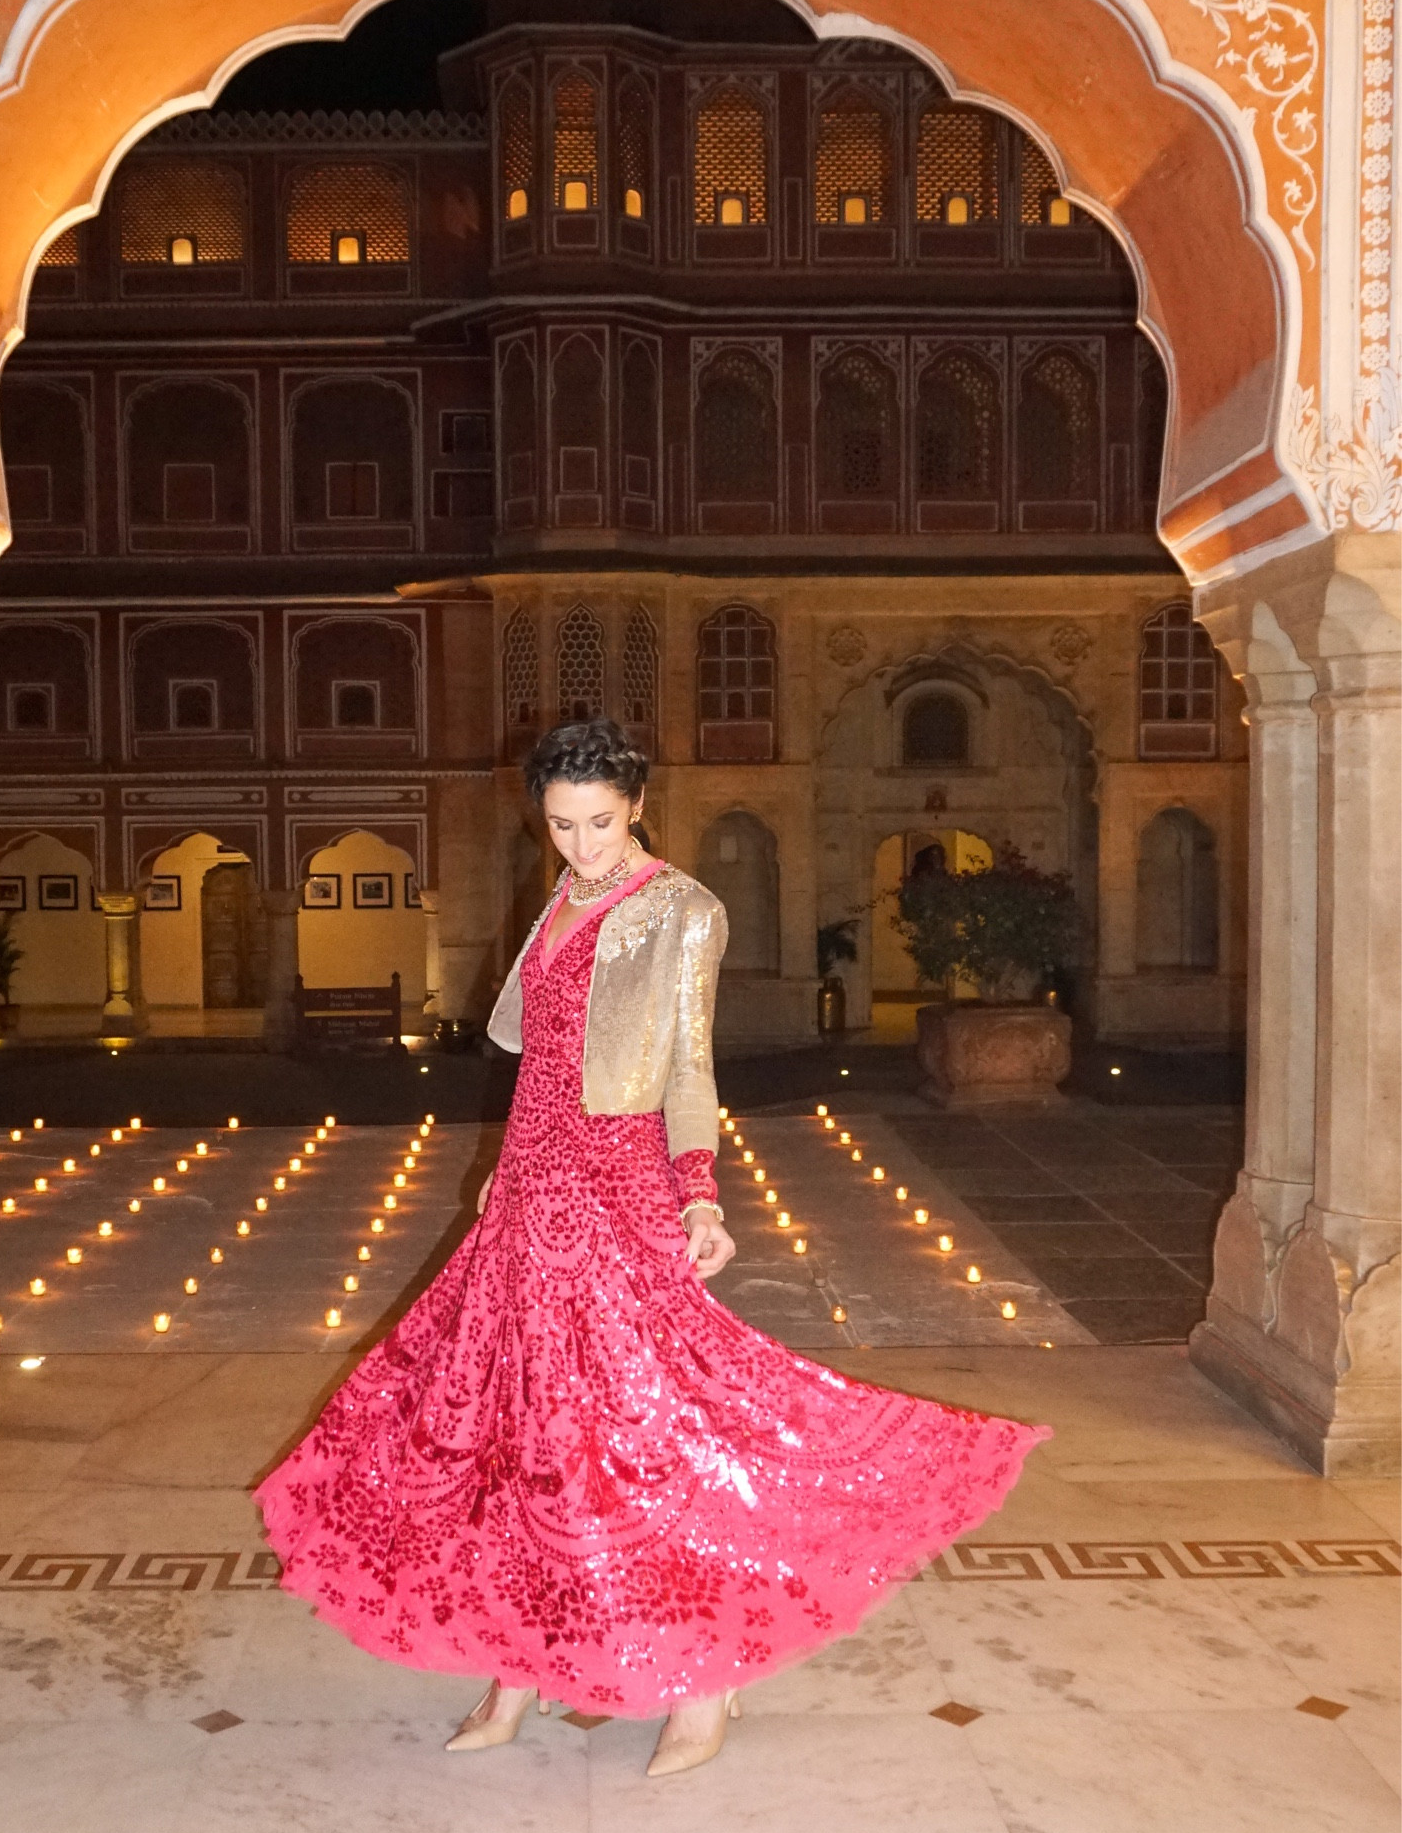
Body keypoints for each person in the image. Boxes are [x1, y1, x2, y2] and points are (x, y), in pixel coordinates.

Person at [255, 718, 1049, 1777]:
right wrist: (506, 1167)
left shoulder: (682, 908)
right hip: (530, 1199)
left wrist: (701, 1197)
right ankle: (518, 1667)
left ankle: (703, 1682)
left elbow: (687, 1067)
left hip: (617, 1194)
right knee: (518, 1432)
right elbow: (538, 1058)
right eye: (560, 825)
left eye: (598, 822)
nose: (580, 845)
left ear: (635, 806)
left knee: (646, 1435)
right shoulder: (560, 901)